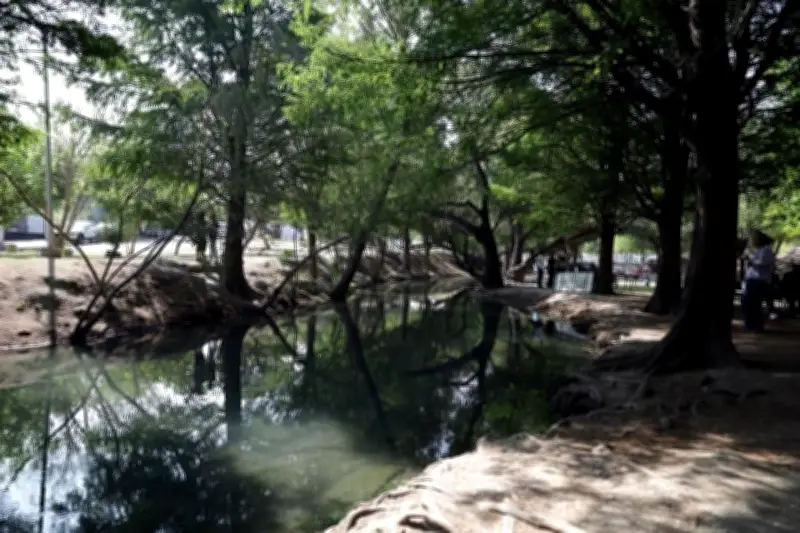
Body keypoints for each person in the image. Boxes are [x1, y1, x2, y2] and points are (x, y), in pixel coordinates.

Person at [741, 231, 776, 332]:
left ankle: (755, 326)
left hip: (758, 280)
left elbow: (762, 263)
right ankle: (751, 325)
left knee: (753, 304)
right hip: (753, 280)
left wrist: (750, 260)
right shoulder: (759, 251)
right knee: (749, 304)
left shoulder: (765, 251)